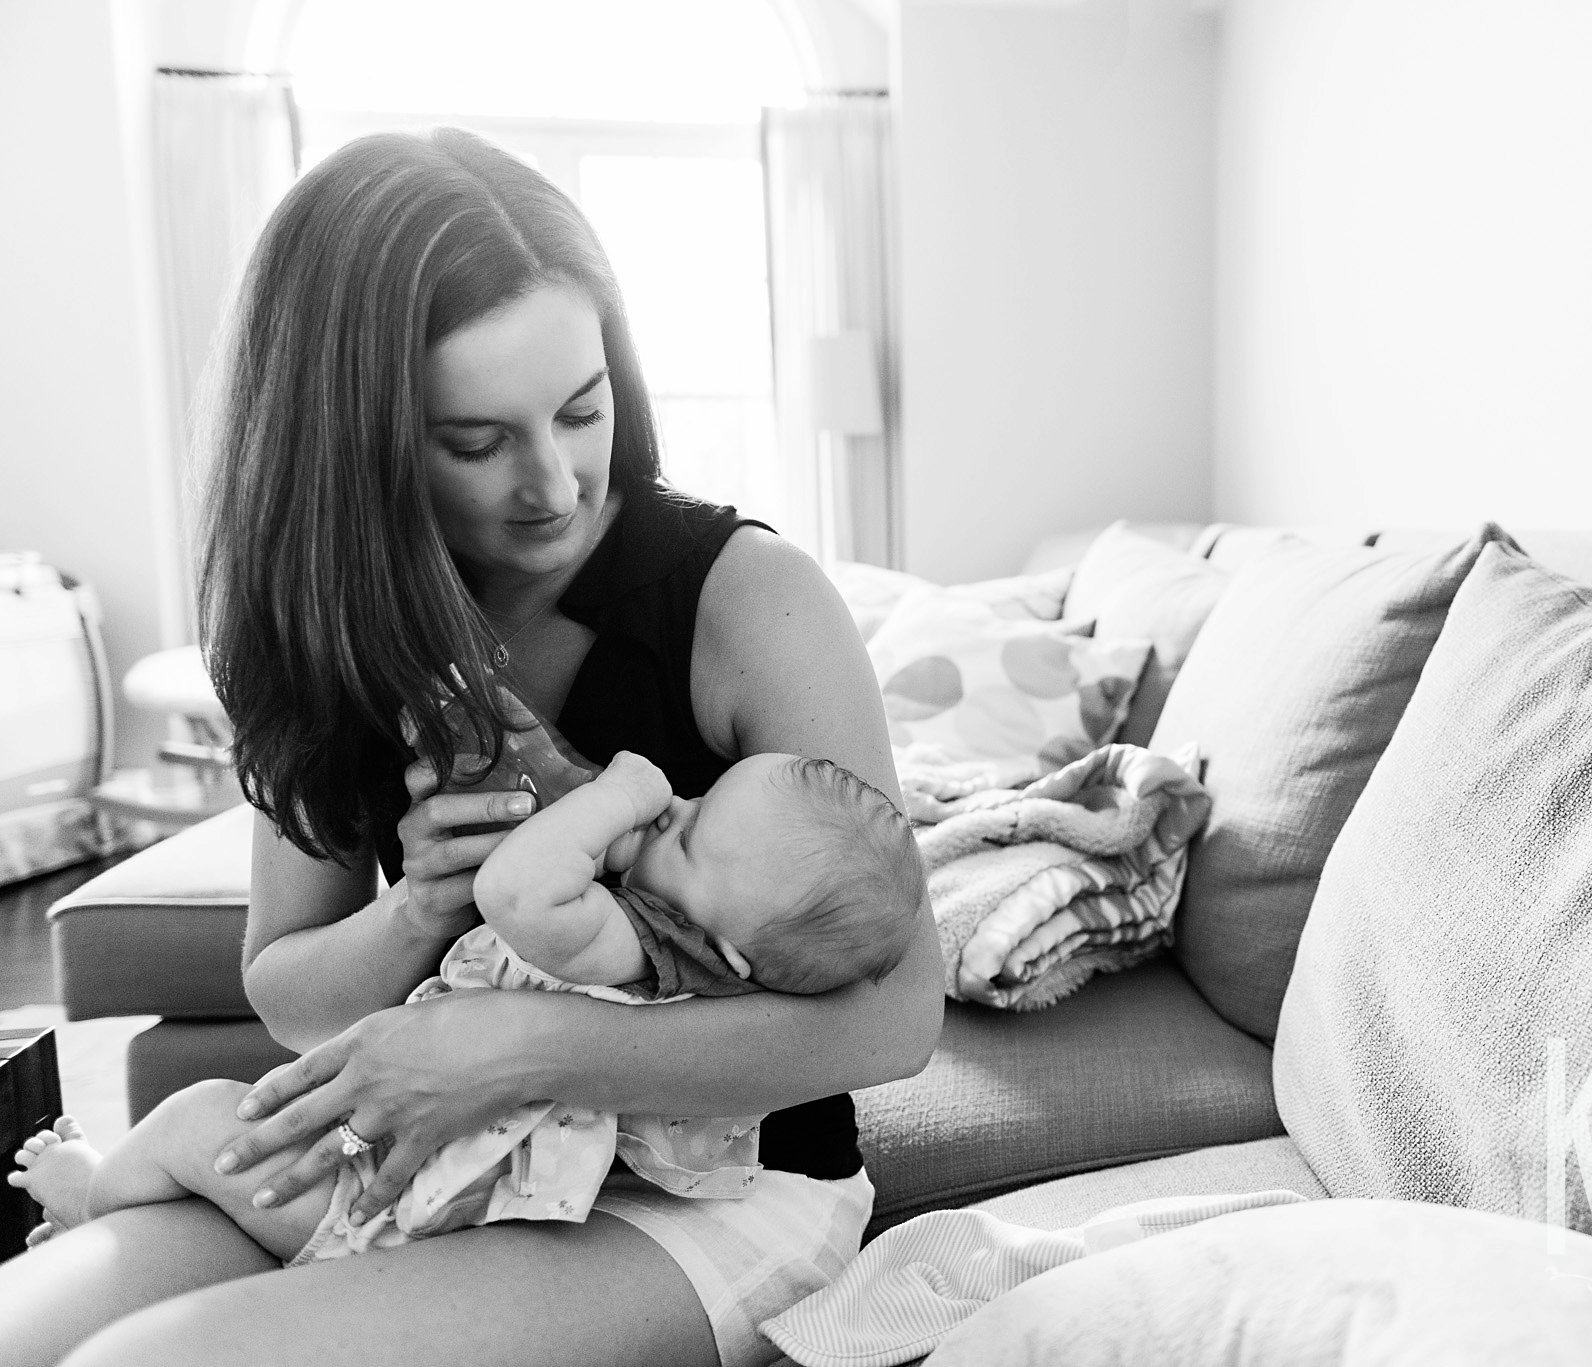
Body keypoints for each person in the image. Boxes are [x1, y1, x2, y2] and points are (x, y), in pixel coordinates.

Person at [0, 126, 942, 1367]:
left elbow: (895, 1020)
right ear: (357, 448)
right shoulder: (328, 630)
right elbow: (286, 985)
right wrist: (415, 914)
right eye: (476, 440)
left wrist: (507, 1048)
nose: (555, 483)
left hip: (704, 1196)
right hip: (428, 1164)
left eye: (581, 408)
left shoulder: (744, 599)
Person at [12, 749, 928, 1268]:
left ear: (727, 950)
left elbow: (517, 891)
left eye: (687, 832)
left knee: (198, 1120)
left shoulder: (640, 945)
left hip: (408, 1203)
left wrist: (620, 793)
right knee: (225, 1169)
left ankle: (90, 1191)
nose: (671, 808)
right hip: (443, 1190)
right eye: (686, 800)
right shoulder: (708, 959)